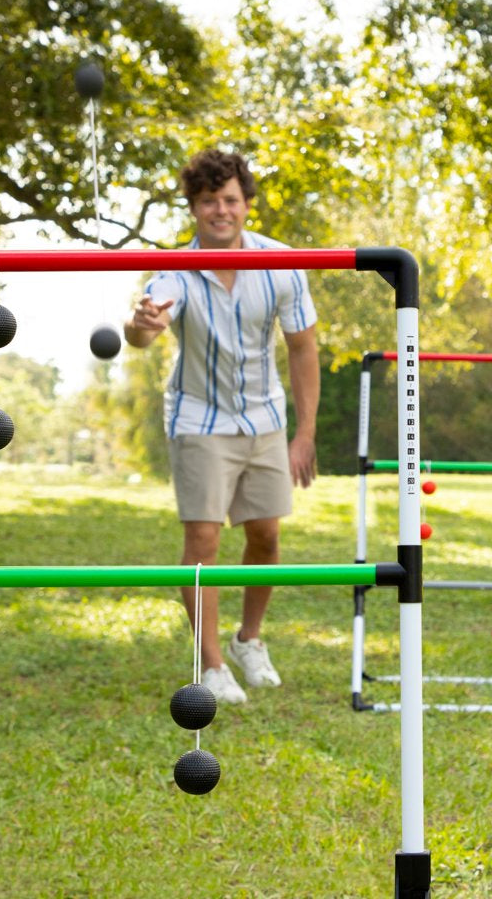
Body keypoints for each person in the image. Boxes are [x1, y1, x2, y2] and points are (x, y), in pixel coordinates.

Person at [123, 148, 320, 704]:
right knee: (203, 538)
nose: (220, 211)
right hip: (198, 418)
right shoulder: (175, 270)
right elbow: (145, 331)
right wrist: (141, 325)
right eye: (209, 201)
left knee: (267, 534)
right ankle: (211, 667)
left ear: (246, 204)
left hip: (264, 416)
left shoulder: (280, 263)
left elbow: (303, 347)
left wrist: (303, 434)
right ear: (194, 207)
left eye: (230, 199)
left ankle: (248, 641)